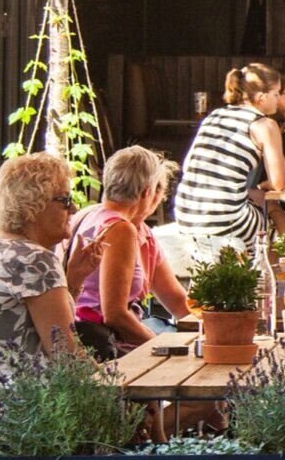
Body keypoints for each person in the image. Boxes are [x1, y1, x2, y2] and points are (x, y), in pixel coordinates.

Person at [0, 153, 105, 413]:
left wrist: (75, 279)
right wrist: (119, 385)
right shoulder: (34, 260)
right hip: (5, 422)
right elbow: (67, 359)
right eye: (65, 200)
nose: (74, 210)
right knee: (137, 416)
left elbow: (43, 331)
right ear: (33, 206)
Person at [64, 146, 193, 353]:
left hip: (88, 339)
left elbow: (178, 302)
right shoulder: (120, 229)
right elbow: (114, 315)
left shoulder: (95, 217)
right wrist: (163, 349)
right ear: (148, 192)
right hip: (99, 346)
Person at [172, 62, 285, 263]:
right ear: (261, 97)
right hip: (224, 219)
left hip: (185, 212)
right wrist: (259, 189)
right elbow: (278, 183)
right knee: (272, 211)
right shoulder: (264, 124)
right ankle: (273, 281)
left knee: (256, 205)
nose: (279, 99)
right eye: (276, 93)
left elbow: (188, 166)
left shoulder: (214, 116)